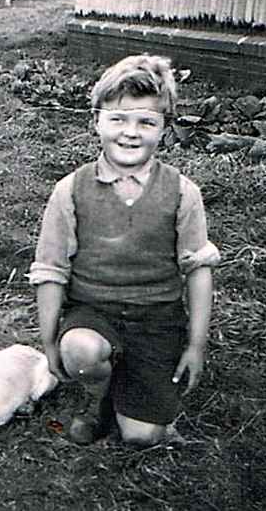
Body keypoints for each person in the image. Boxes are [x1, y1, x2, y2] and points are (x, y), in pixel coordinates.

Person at [29, 53, 220, 446]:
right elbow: (50, 270)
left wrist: (196, 345)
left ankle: (133, 393)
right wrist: (50, 344)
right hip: (92, 313)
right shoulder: (70, 191)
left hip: (156, 319)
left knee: (143, 437)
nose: (130, 133)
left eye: (146, 122)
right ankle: (98, 398)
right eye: (118, 119)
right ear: (96, 121)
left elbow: (198, 269)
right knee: (81, 351)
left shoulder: (183, 193)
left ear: (165, 130)